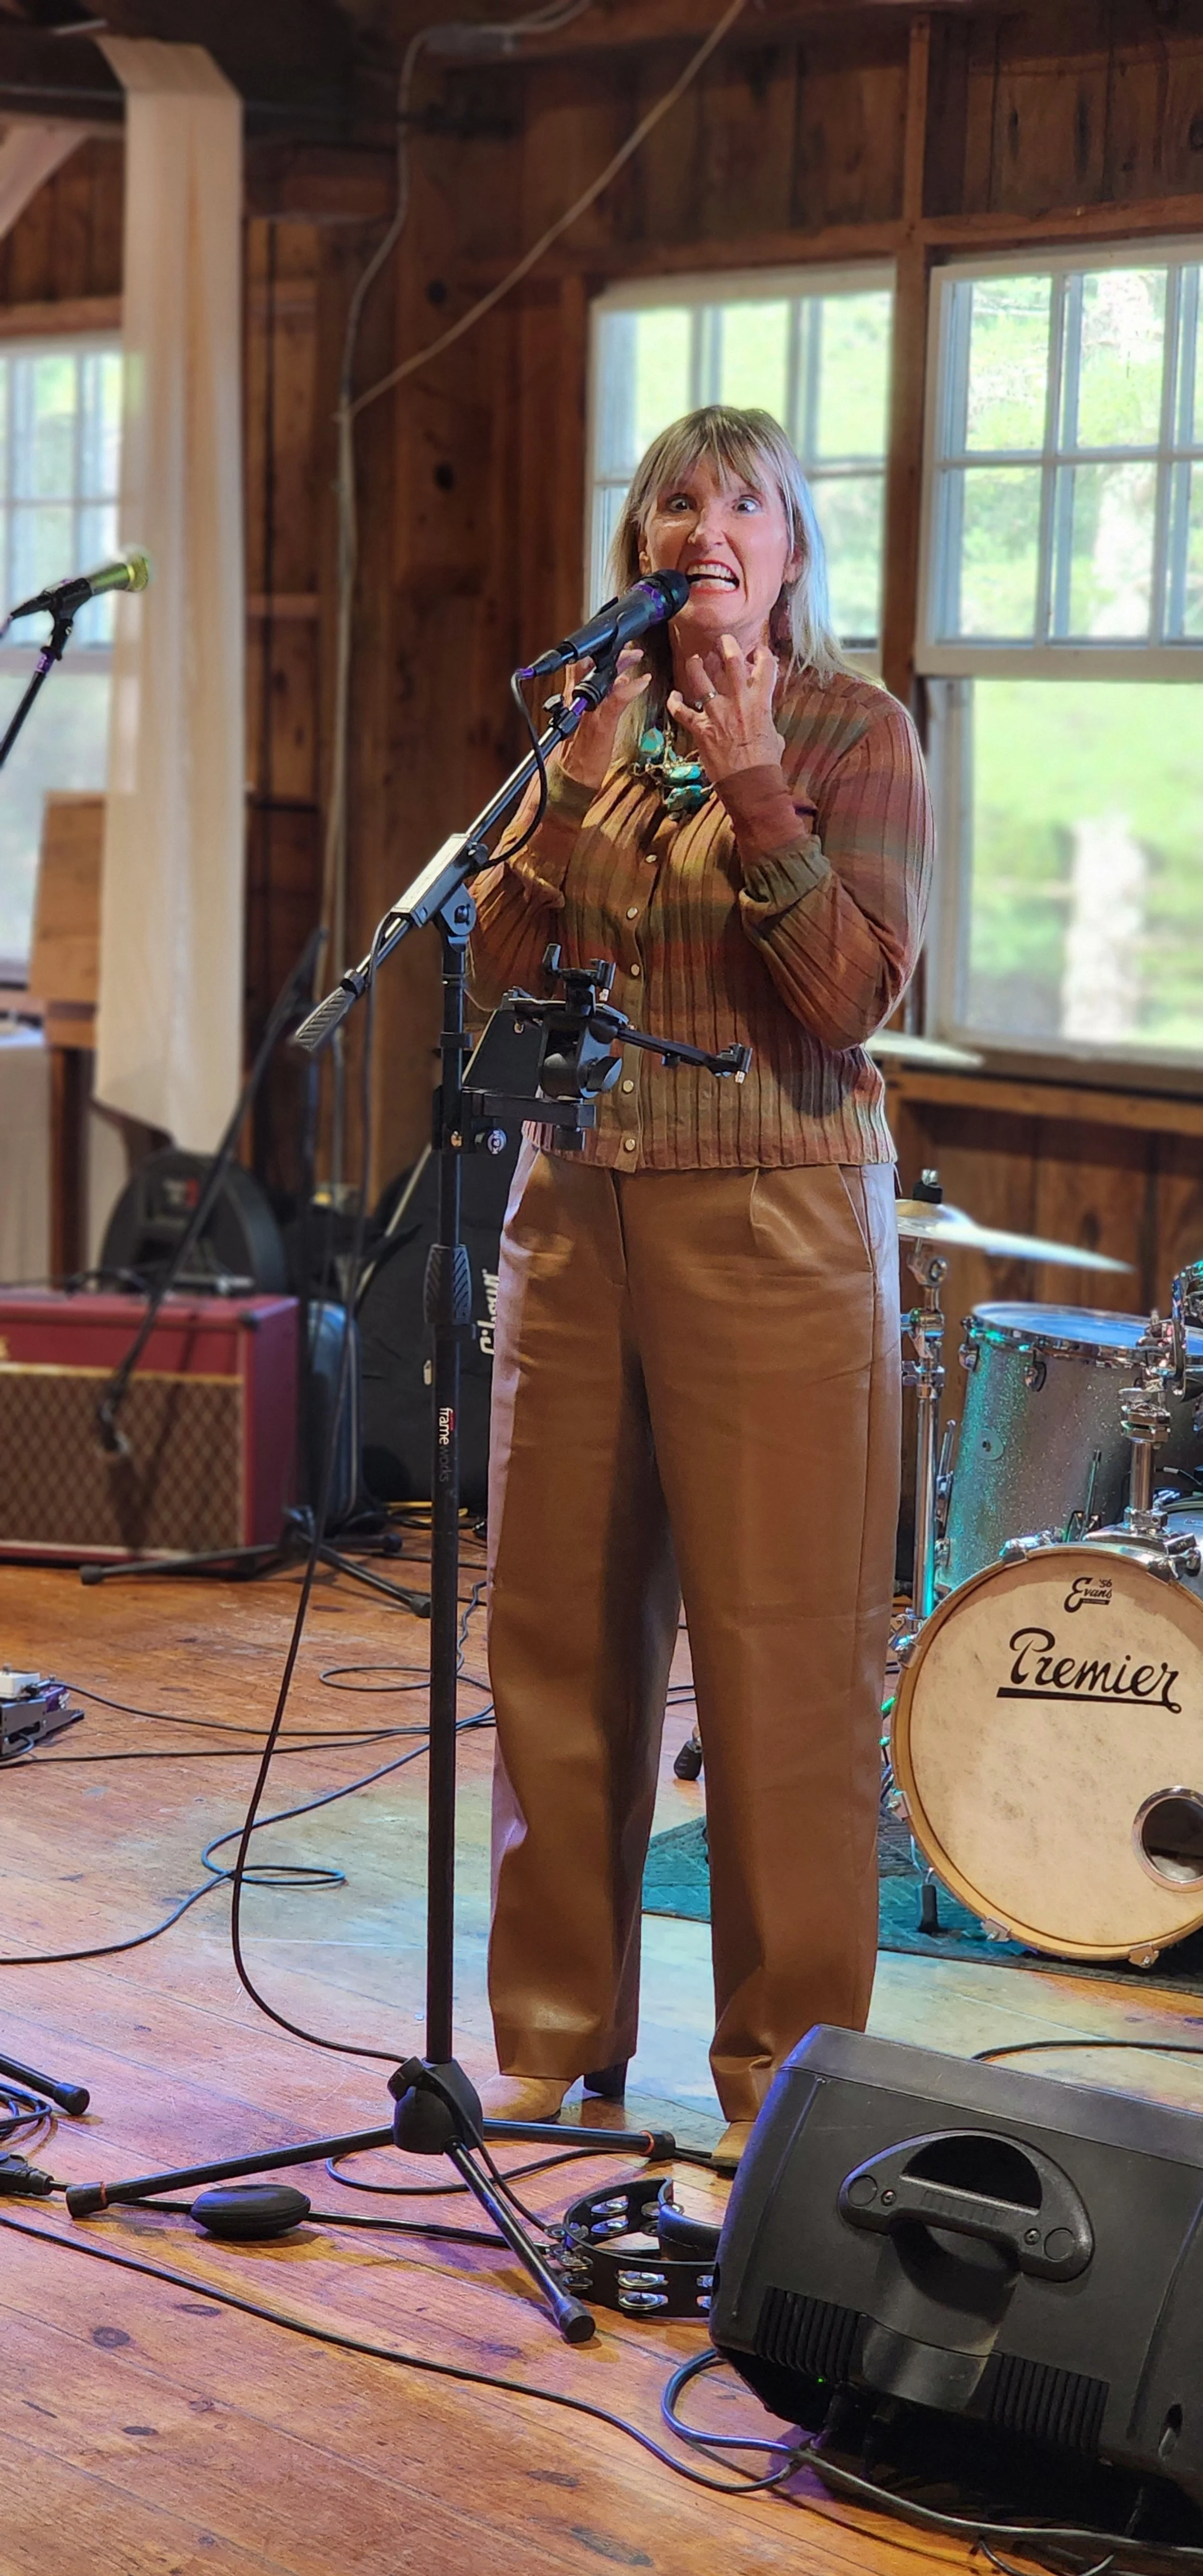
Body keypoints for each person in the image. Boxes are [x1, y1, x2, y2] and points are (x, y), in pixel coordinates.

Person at [468, 404, 934, 2168]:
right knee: (558, 1636)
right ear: (638, 541)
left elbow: (844, 997)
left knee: (780, 1660)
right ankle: (552, 2033)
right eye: (676, 496)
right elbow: (493, 964)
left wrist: (752, 782)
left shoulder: (853, 727)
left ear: (790, 548)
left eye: (742, 500)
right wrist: (573, 789)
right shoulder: (581, 726)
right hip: (577, 1208)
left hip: (777, 1219)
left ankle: (783, 2075)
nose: (703, 522)